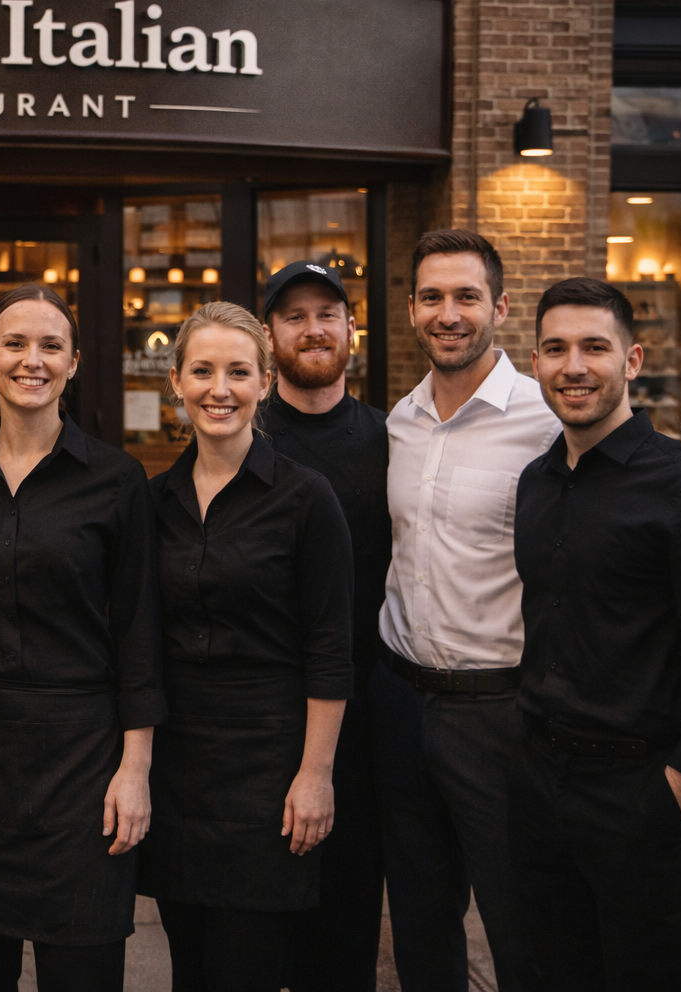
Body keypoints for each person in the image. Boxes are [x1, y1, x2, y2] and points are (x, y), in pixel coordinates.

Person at [0, 284, 165, 992]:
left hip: (81, 759)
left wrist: (135, 768)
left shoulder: (117, 480)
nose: (32, 360)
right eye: (14, 344)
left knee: (83, 968)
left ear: (74, 362)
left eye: (51, 346)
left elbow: (139, 633)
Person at [138, 301, 354, 991]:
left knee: (248, 969)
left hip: (270, 773)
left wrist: (316, 775)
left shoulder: (306, 498)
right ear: (177, 381)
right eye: (202, 371)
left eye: (238, 371)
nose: (219, 389)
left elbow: (331, 648)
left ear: (265, 381)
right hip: (179, 770)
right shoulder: (154, 502)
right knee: (191, 970)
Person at [509, 277, 681, 991]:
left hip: (643, 790)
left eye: (595, 348)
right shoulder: (535, 482)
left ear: (632, 360)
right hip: (540, 784)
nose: (574, 367)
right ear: (536, 361)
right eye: (556, 349)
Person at [375, 229, 558, 992]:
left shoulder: (546, 420)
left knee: (524, 928)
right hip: (402, 703)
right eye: (432, 297)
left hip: (500, 714)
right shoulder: (400, 421)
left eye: (466, 297)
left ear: (501, 307)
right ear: (411, 309)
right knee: (420, 924)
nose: (447, 314)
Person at [258, 261, 391, 992]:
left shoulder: (391, 438)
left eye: (327, 315)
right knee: (255, 935)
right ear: (269, 333)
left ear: (351, 329)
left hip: (362, 719)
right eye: (295, 316)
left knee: (345, 927)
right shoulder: (243, 434)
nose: (313, 329)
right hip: (258, 719)